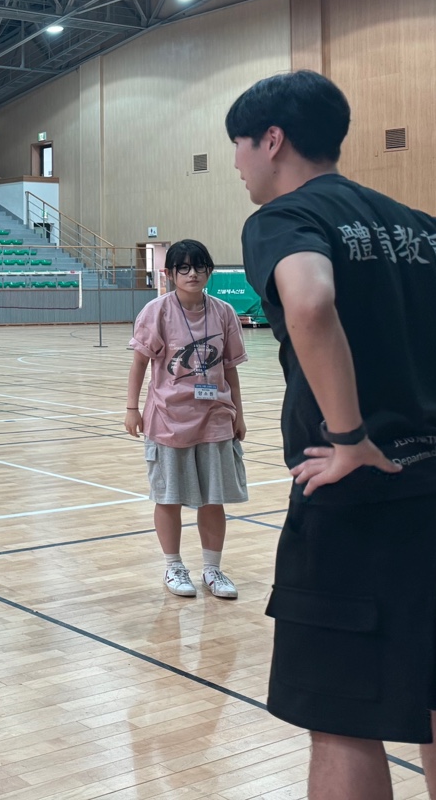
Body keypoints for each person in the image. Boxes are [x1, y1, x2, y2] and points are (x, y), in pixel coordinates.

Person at [228, 70, 436, 800]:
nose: (237, 165)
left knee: (344, 719)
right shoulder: (429, 230)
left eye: (239, 147)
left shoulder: (286, 218)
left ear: (272, 139)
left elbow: (311, 300)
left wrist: (350, 435)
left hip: (360, 501)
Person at [124, 239, 249, 600]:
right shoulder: (156, 311)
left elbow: (230, 368)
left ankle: (213, 568)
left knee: (214, 498)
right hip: (168, 417)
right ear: (170, 274)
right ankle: (173, 566)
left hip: (215, 417)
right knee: (169, 497)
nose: (192, 274)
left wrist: (238, 412)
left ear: (210, 270)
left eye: (199, 267)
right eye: (183, 268)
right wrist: (132, 408)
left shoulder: (223, 312)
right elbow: (139, 363)